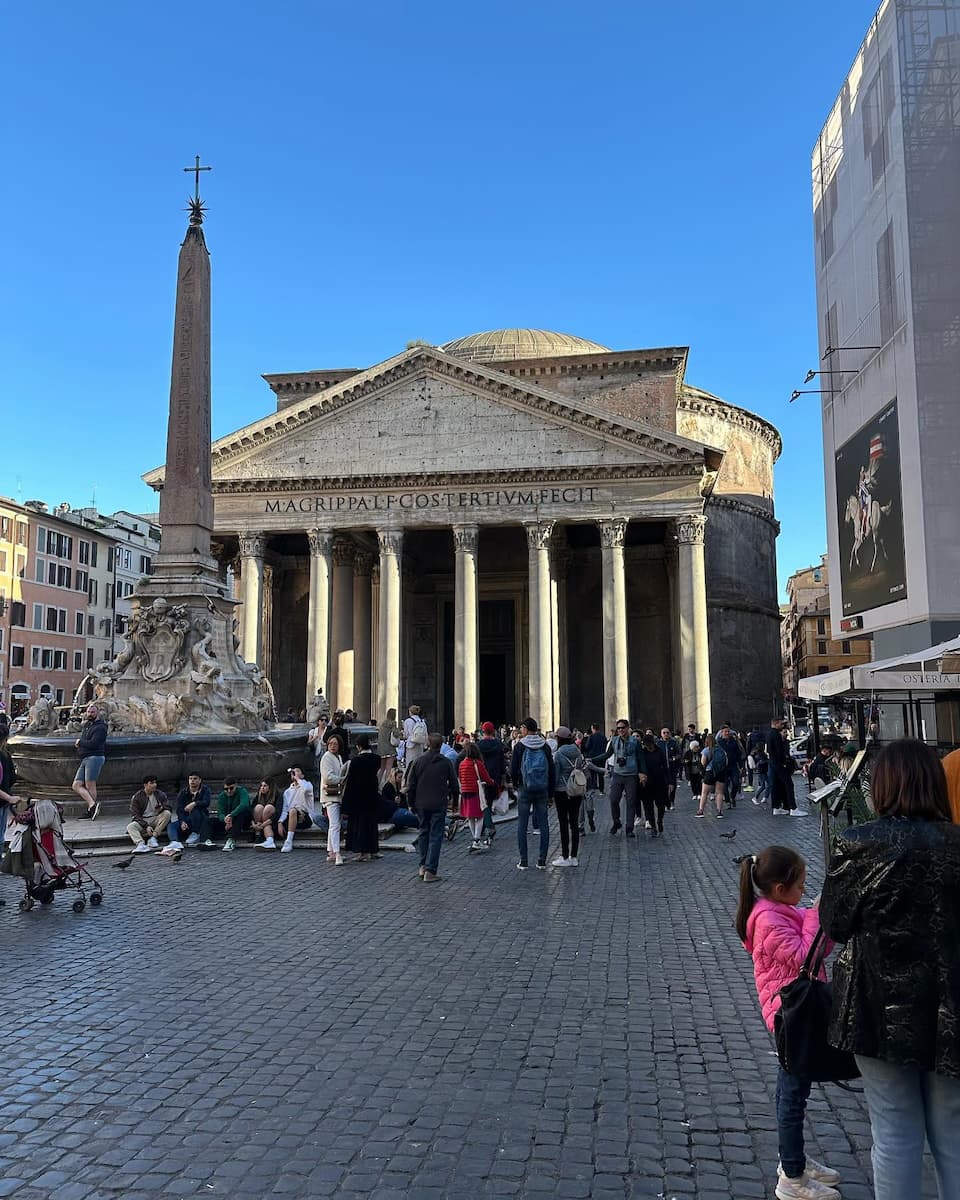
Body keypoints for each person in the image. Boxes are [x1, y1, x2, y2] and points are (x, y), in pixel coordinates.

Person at [820, 739, 960, 1200]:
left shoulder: (858, 845)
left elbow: (835, 923)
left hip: (878, 1010)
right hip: (951, 1008)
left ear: (880, 787)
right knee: (954, 1132)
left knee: (894, 1131)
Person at [737, 845, 839, 1200]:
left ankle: (793, 1157)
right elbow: (803, 959)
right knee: (792, 1094)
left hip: (796, 1010)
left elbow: (817, 951)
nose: (802, 893)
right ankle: (791, 1176)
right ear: (780, 889)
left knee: (796, 1087)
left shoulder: (779, 910)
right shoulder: (769, 919)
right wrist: (814, 916)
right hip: (788, 1014)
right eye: (799, 886)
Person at [407, 732, 459, 882]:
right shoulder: (446, 762)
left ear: (428, 744)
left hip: (421, 803)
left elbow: (411, 785)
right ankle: (431, 870)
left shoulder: (418, 761)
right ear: (441, 745)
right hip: (438, 803)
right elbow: (455, 785)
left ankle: (422, 865)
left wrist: (410, 803)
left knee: (423, 833)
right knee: (436, 836)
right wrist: (455, 803)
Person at [510, 717, 555, 870]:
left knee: (522, 824)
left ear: (525, 728)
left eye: (522, 727)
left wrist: (516, 785)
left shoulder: (520, 746)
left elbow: (513, 769)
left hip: (525, 787)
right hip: (542, 788)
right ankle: (542, 860)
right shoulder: (545, 746)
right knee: (544, 824)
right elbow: (551, 770)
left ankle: (523, 860)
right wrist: (551, 793)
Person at [602, 719, 646, 836]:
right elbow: (607, 755)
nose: (620, 730)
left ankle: (629, 828)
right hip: (617, 774)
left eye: (622, 728)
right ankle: (617, 822)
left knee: (631, 802)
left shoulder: (635, 742)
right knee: (613, 799)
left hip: (631, 775)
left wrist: (642, 772)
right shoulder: (614, 740)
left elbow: (641, 758)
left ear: (627, 728)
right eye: (619, 728)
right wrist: (592, 759)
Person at [343, 733, 381, 860]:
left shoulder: (356, 761)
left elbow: (351, 781)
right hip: (372, 793)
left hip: (358, 795)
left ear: (358, 746)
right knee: (371, 823)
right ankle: (373, 848)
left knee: (360, 824)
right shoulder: (376, 759)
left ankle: (362, 852)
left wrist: (346, 803)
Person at [551, 726, 583, 867]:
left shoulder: (558, 754)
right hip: (576, 789)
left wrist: (551, 792)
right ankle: (574, 856)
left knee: (563, 823)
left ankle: (564, 855)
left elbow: (556, 775)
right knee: (574, 823)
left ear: (559, 739)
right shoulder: (577, 751)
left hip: (562, 791)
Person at [458, 741, 495, 853]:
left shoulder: (462, 763)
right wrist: (492, 782)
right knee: (479, 816)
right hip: (475, 792)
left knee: (470, 817)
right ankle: (477, 840)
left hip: (465, 792)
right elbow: (486, 777)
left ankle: (475, 839)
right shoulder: (477, 763)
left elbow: (460, 777)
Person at [72, 704, 107, 820]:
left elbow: (94, 743)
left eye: (92, 712)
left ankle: (91, 810)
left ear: (97, 713)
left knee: (90, 784)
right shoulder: (87, 725)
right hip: (86, 758)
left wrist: (80, 742)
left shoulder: (101, 727)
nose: (90, 714)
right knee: (76, 785)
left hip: (95, 758)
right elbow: (86, 740)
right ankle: (92, 805)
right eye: (88, 712)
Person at [317, 732, 347, 864]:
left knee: (333, 824)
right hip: (330, 795)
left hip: (336, 794)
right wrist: (342, 779)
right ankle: (337, 852)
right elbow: (328, 777)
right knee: (335, 824)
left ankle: (331, 852)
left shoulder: (338, 757)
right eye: (331, 743)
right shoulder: (326, 758)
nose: (333, 746)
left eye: (335, 744)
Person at [476, 721, 507, 844]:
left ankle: (489, 826)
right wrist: (503, 779)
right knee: (487, 802)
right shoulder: (498, 745)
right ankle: (483, 828)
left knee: (484, 804)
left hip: (482, 777)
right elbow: (502, 764)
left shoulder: (478, 746)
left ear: (483, 731)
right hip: (495, 778)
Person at [276, 765, 319, 853]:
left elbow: (306, 788)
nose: (295, 773)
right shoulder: (287, 792)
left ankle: (288, 841)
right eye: (293, 772)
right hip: (293, 817)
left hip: (305, 817)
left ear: (302, 775)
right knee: (290, 811)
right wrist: (280, 822)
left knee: (293, 810)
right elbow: (285, 809)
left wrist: (298, 779)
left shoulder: (307, 784)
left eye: (298, 771)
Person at [127, 775, 172, 852]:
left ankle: (153, 838)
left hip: (156, 819)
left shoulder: (160, 794)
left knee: (167, 813)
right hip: (143, 821)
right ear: (145, 785)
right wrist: (146, 826)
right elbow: (135, 815)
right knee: (130, 827)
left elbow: (169, 807)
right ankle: (140, 844)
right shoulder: (137, 796)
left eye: (155, 783)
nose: (154, 785)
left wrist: (162, 808)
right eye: (151, 783)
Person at [210, 778, 253, 851]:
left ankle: (231, 839)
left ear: (236, 786)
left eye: (231, 788)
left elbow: (244, 805)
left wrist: (231, 815)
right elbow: (220, 812)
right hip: (229, 821)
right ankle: (207, 840)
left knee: (240, 814)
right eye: (226, 789)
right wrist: (225, 819)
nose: (229, 791)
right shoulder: (222, 796)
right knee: (209, 821)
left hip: (244, 819)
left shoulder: (242, 791)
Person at [172, 772, 213, 846]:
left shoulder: (205, 790)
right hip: (187, 819)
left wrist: (194, 803)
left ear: (200, 780)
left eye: (195, 779)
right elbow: (179, 809)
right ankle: (174, 842)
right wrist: (182, 821)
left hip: (200, 817)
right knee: (172, 826)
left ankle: (195, 833)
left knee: (194, 809)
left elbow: (206, 802)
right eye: (190, 779)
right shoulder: (183, 792)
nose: (192, 781)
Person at [767, 718, 798, 816]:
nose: (782, 725)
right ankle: (793, 808)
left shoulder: (770, 734)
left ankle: (776, 807)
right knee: (789, 784)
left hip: (773, 764)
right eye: (780, 724)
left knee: (776, 785)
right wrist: (783, 762)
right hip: (779, 764)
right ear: (776, 724)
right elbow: (779, 751)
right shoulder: (776, 735)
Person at [581, 722, 607, 833]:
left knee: (580, 807)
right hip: (600, 758)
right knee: (589, 801)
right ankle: (601, 789)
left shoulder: (590, 738)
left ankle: (581, 826)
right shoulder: (603, 737)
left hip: (579, 786)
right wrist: (607, 770)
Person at [641, 733, 669, 836]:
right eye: (646, 744)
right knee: (648, 806)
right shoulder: (643, 753)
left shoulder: (659, 752)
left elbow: (665, 766)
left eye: (649, 744)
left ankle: (660, 820)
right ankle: (653, 827)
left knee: (661, 805)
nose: (648, 746)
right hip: (647, 783)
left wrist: (669, 781)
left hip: (659, 781)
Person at [698, 733, 726, 818]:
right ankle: (719, 811)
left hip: (710, 772)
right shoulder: (721, 750)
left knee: (704, 793)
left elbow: (703, 762)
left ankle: (701, 811)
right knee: (720, 792)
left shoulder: (706, 750)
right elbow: (726, 761)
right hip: (720, 772)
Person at [716, 724, 743, 808]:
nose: (727, 733)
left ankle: (732, 796)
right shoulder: (719, 742)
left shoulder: (733, 741)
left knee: (736, 782)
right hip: (723, 766)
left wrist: (741, 765)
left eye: (728, 731)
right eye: (725, 731)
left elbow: (738, 753)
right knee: (724, 785)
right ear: (721, 733)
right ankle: (727, 801)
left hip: (733, 765)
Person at [658, 727, 681, 811]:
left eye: (667, 732)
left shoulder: (673, 743)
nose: (666, 734)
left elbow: (679, 753)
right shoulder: (658, 744)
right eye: (664, 733)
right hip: (662, 768)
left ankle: (672, 801)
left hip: (672, 768)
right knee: (663, 786)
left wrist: (675, 758)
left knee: (672, 785)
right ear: (661, 734)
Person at [402, 704, 429, 774]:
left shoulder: (408, 721)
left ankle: (410, 778)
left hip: (411, 744)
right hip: (420, 744)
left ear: (410, 712)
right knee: (419, 763)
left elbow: (406, 734)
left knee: (410, 764)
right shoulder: (422, 721)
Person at [251, 780, 278, 848]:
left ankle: (269, 840)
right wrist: (253, 824)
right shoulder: (258, 797)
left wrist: (263, 824)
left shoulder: (277, 796)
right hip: (258, 826)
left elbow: (278, 814)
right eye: (261, 786)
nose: (262, 788)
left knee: (268, 808)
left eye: (265, 786)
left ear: (270, 787)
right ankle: (259, 835)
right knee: (258, 807)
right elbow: (250, 812)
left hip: (272, 824)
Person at [378, 707, 400, 786]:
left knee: (382, 768)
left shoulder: (382, 723)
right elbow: (396, 734)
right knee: (389, 769)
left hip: (381, 749)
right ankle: (386, 785)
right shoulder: (393, 723)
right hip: (390, 748)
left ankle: (378, 784)